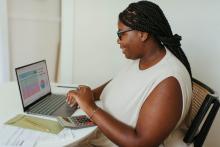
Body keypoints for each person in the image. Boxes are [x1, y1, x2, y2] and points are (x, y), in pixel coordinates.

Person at [66, 1, 192, 147]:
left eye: (121, 34)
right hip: (97, 136)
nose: (118, 41)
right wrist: (88, 96)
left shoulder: (169, 82)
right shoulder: (141, 61)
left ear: (142, 34)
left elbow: (141, 143)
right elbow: (116, 85)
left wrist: (90, 107)